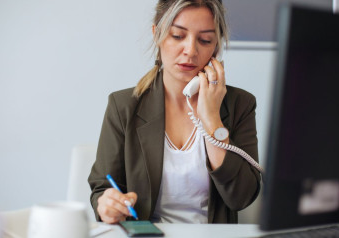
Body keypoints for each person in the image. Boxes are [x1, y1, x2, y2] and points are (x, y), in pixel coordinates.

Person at [88, 0, 261, 224]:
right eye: (178, 36)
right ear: (157, 34)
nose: (190, 50)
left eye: (205, 40)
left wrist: (212, 120)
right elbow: (102, 189)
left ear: (216, 46)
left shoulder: (241, 104)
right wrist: (107, 205)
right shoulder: (123, 106)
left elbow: (241, 198)